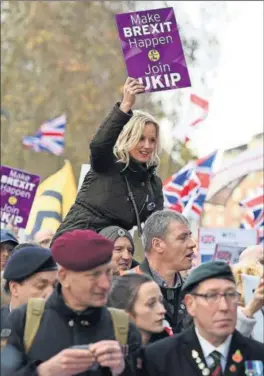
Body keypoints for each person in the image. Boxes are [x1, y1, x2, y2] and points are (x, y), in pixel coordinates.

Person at [3, 229, 141, 376]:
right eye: (94, 275)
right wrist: (44, 371)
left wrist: (122, 369)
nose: (105, 284)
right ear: (64, 277)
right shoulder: (23, 321)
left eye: (108, 272)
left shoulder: (124, 328)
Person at [53, 77, 164, 243]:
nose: (147, 145)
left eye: (152, 140)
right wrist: (125, 105)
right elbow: (98, 145)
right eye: (140, 138)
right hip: (74, 244)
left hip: (113, 252)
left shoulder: (152, 185)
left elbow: (156, 228)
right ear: (128, 138)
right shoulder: (107, 164)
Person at [139, 261, 264, 376]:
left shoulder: (258, 355)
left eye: (230, 294)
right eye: (212, 296)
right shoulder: (159, 358)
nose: (224, 306)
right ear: (190, 304)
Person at [128, 209, 196, 333]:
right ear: (157, 245)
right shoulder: (124, 287)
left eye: (190, 236)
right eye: (182, 238)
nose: (192, 244)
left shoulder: (193, 290)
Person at [1, 245, 58, 331]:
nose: (51, 293)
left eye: (55, 286)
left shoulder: (63, 323)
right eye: (41, 286)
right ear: (14, 288)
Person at [108, 274, 170, 345]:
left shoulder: (171, 346)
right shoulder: (107, 351)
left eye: (161, 301)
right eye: (151, 304)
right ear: (124, 312)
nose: (162, 310)